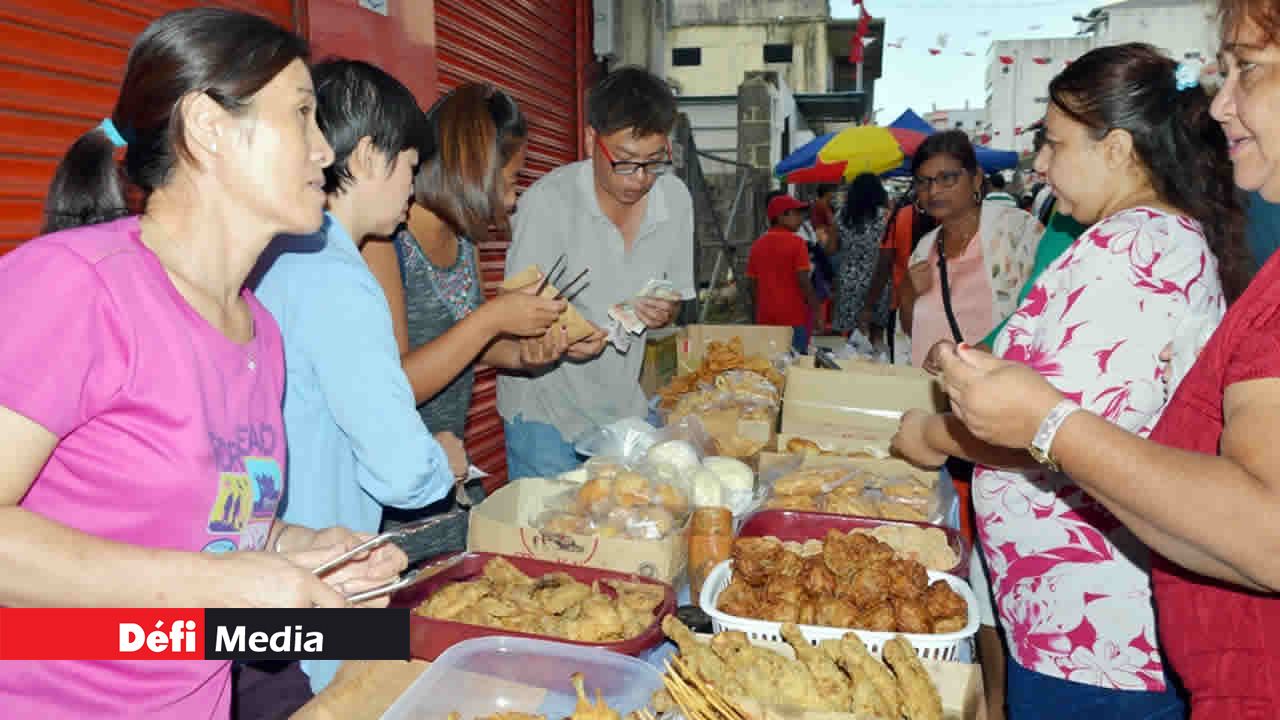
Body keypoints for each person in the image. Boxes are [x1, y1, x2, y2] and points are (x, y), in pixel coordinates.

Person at [0, 10, 407, 718]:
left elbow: (209, 530)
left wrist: (306, 552)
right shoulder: (75, 287)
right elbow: (199, 578)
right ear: (208, 127)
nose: (324, 151)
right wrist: (219, 586)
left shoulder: (260, 331)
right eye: (302, 116)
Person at [894, 42, 1250, 718]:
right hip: (1070, 615)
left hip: (1094, 629)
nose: (1041, 164)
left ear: (1115, 148)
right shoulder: (1126, 239)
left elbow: (1052, 431)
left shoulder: (1134, 249)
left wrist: (933, 435)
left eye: (1055, 144)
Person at [251, 60, 468, 694]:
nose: (412, 189)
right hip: (322, 569)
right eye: (409, 166)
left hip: (269, 554)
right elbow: (401, 472)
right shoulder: (338, 277)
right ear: (370, 155)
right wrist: (443, 460)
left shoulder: (277, 255)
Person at [362, 84, 568, 550]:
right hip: (397, 493)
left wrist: (526, 353)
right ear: (472, 172)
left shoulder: (462, 239)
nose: (512, 200)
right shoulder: (384, 243)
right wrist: (493, 318)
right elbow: (396, 385)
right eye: (508, 181)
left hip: (450, 475)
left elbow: (468, 342)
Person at [498, 67, 694, 480]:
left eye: (653, 162)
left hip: (622, 410)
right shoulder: (547, 203)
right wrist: (563, 338)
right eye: (625, 162)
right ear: (591, 141)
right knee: (550, 520)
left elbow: (675, 297)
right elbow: (512, 313)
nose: (639, 179)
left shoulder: (675, 201)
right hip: (545, 417)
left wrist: (664, 310)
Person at [904, 130, 1043, 368]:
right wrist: (908, 292)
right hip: (930, 386)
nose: (933, 191)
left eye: (947, 178)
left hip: (996, 386)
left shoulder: (1018, 233)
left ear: (976, 178)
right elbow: (912, 331)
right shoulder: (924, 248)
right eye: (924, 181)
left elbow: (1042, 316)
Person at [746, 194, 820, 352]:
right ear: (781, 217)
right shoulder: (797, 243)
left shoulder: (757, 245)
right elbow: (803, 281)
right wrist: (816, 308)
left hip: (765, 319)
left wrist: (760, 309)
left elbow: (752, 285)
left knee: (769, 361)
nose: (801, 218)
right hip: (793, 320)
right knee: (795, 361)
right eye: (796, 213)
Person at [832, 173, 891, 344]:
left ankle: (853, 359)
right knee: (877, 332)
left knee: (852, 336)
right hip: (879, 279)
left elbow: (831, 248)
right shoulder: (887, 217)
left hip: (850, 280)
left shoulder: (841, 216)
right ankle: (877, 358)